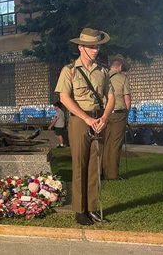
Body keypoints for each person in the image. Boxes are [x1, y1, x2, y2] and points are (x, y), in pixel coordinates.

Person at [55, 28, 115, 225]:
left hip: (99, 119)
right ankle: (80, 211)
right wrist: (86, 118)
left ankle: (92, 208)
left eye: (97, 46)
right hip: (80, 121)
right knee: (80, 164)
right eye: (91, 46)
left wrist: (105, 117)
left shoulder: (103, 71)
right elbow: (64, 98)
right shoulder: (69, 70)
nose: (95, 49)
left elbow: (111, 96)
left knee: (94, 167)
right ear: (81, 47)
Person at [103, 57, 132, 180]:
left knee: (105, 144)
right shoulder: (123, 78)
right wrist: (126, 116)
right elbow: (127, 100)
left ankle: (102, 172)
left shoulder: (102, 76)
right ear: (120, 66)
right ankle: (112, 175)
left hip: (103, 113)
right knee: (115, 145)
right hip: (118, 114)